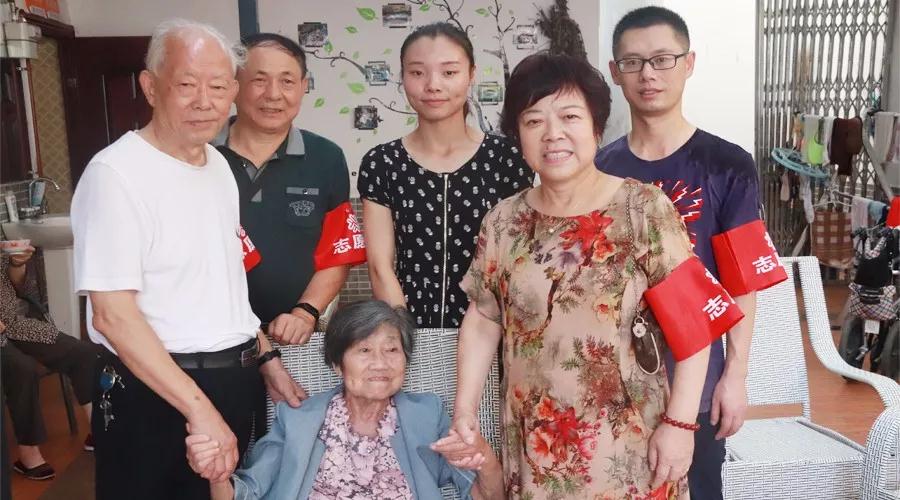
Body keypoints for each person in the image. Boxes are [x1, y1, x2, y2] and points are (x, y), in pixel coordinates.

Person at [452, 52, 747, 498]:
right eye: (533, 121)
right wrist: (465, 409)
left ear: (595, 126)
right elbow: (483, 319)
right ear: (518, 136)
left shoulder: (642, 209)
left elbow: (694, 325)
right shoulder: (503, 222)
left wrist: (680, 424)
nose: (553, 134)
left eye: (569, 116)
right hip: (536, 449)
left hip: (630, 447)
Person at [71, 19, 297, 499]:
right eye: (187, 85)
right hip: (154, 391)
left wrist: (265, 357)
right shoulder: (115, 174)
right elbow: (112, 316)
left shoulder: (216, 165)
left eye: (217, 86)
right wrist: (198, 409)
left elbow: (222, 282)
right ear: (151, 87)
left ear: (233, 91)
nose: (204, 101)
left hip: (232, 382)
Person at [595, 7, 787, 499]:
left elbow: (742, 280)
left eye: (663, 59)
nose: (648, 74)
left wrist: (735, 375)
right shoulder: (599, 169)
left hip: (697, 384)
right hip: (614, 384)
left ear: (689, 63)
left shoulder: (728, 165)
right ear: (615, 72)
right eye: (633, 62)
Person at [185, 300, 503, 499]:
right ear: (338, 364)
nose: (380, 363)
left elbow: (481, 493)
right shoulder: (297, 419)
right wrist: (218, 475)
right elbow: (246, 492)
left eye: (392, 350)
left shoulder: (426, 415)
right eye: (364, 350)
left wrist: (486, 461)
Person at [358, 22, 534, 329]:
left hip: (493, 330)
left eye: (449, 72)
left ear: (471, 75)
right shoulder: (382, 163)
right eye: (417, 72)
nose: (433, 85)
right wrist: (404, 337)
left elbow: (518, 260)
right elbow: (379, 266)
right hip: (411, 327)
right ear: (402, 77)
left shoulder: (508, 158)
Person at [212, 33, 364, 367]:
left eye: (287, 81)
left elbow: (338, 251)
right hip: (213, 338)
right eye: (259, 80)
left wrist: (306, 312)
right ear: (235, 85)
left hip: (297, 336)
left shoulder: (326, 157)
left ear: (304, 86)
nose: (273, 94)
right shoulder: (202, 155)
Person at [1, 246, 98, 480]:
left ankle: (98, 432)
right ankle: (28, 452)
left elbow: (20, 288)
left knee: (83, 353)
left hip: (15, 324)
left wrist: (16, 264)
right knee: (22, 368)